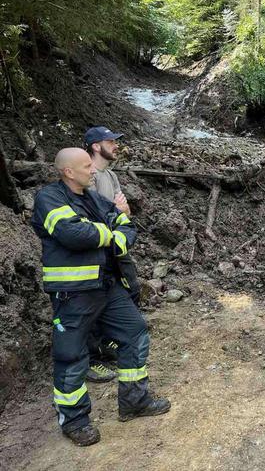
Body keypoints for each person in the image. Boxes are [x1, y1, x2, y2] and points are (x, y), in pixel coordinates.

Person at [31, 148, 170, 446]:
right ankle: (75, 421)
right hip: (73, 294)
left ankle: (134, 401)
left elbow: (126, 227)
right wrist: (110, 231)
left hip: (108, 286)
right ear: (68, 171)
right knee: (71, 356)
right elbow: (73, 235)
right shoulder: (49, 198)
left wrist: (108, 231)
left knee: (134, 333)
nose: (93, 171)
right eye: (86, 167)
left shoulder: (92, 198)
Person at [84, 126, 140, 384]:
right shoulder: (89, 176)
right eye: (111, 141)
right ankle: (93, 358)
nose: (116, 145)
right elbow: (94, 212)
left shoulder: (112, 176)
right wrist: (117, 212)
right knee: (93, 303)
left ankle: (110, 342)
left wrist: (119, 213)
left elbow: (123, 211)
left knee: (130, 288)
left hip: (116, 247)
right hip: (96, 251)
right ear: (96, 146)